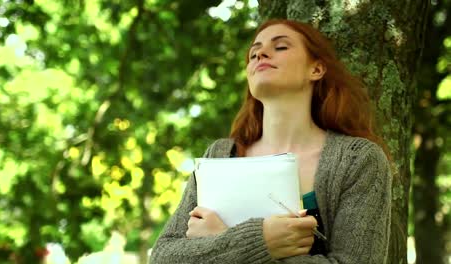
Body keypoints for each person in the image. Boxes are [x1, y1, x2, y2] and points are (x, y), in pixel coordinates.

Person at [149, 18, 392, 264]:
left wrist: (225, 240)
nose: (260, 54)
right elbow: (163, 257)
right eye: (254, 53)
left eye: (281, 47)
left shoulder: (358, 160)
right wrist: (261, 242)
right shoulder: (220, 155)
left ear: (316, 69)